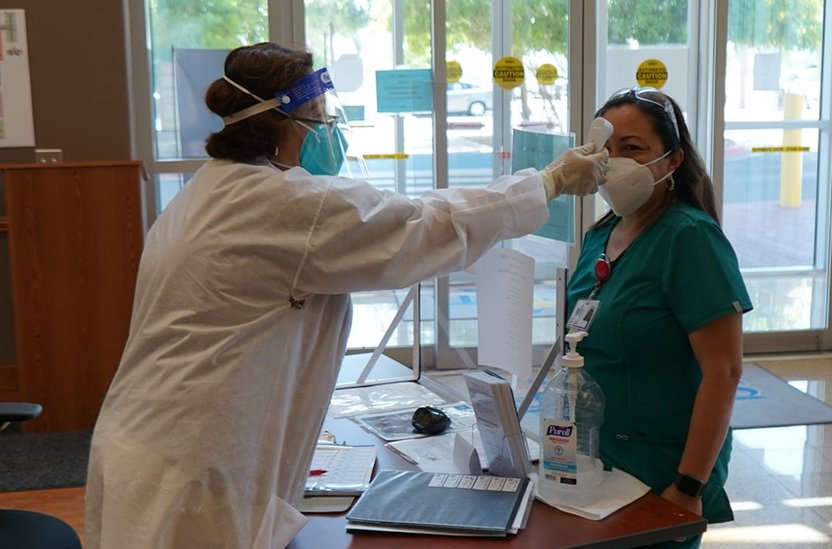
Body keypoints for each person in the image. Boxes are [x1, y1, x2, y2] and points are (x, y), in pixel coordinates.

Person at [84, 42, 608, 549]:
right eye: (318, 119)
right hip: (193, 463)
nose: (329, 132)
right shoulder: (280, 204)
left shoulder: (208, 191)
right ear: (278, 125)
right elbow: (423, 226)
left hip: (150, 440)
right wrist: (550, 181)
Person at [564, 87, 752, 548]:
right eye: (605, 151)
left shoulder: (689, 239)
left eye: (632, 148)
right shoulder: (602, 233)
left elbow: (724, 372)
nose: (615, 162)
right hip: (597, 460)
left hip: (663, 467)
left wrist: (689, 486)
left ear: (672, 161)